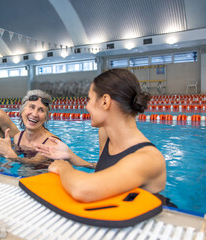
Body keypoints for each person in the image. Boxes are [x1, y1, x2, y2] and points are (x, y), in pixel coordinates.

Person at [36, 69, 166, 203]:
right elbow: (104, 172)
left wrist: (63, 167)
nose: (86, 106)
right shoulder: (105, 135)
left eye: (90, 99)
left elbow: (83, 189)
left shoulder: (148, 159)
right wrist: (69, 155)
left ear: (105, 101)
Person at [0, 89, 62, 166]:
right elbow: (14, 155)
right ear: (22, 111)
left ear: (46, 117)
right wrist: (5, 156)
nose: (35, 114)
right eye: (31, 107)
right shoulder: (18, 138)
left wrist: (11, 155)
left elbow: (33, 163)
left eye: (41, 110)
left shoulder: (51, 142)